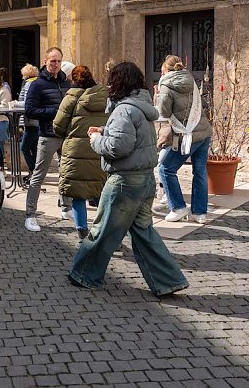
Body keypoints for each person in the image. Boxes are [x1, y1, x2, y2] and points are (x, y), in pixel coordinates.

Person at [69, 62, 188, 295]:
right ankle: (169, 280)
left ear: (119, 83)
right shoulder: (141, 106)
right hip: (145, 181)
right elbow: (133, 139)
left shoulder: (124, 109)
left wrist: (96, 141)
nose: (109, 84)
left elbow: (119, 147)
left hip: (124, 182)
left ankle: (84, 275)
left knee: (102, 229)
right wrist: (104, 131)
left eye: (112, 79)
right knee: (144, 233)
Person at [53, 66, 109, 239]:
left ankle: (82, 230)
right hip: (98, 147)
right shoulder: (104, 96)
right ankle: (104, 229)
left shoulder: (71, 97)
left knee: (78, 192)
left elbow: (58, 125)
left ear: (74, 79)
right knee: (100, 191)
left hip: (75, 150)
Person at [156, 55, 212, 223]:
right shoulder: (190, 79)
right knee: (200, 171)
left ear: (165, 70)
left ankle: (178, 207)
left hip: (187, 134)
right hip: (203, 131)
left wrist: (160, 95)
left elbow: (164, 112)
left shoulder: (166, 84)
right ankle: (199, 213)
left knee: (165, 168)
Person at [23, 47, 72, 232]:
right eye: (52, 61)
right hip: (47, 135)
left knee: (66, 173)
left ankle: (66, 208)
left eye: (58, 61)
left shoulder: (67, 83)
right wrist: (55, 112)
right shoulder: (37, 84)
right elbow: (30, 110)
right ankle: (30, 215)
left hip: (65, 135)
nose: (56, 64)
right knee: (38, 175)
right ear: (45, 61)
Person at [15, 64, 39, 179]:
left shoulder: (29, 84)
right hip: (36, 120)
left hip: (31, 120)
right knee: (33, 148)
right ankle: (34, 173)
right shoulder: (36, 82)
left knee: (24, 148)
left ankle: (33, 172)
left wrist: (15, 103)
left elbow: (28, 102)